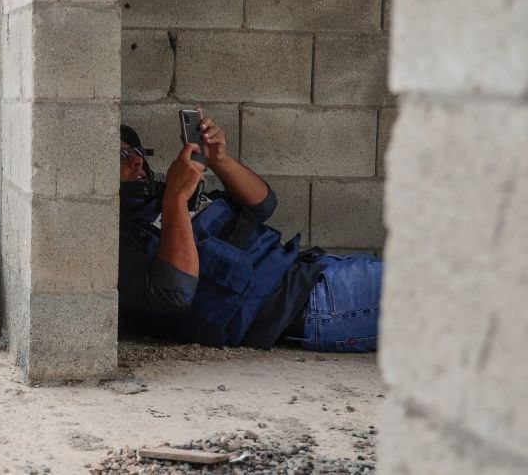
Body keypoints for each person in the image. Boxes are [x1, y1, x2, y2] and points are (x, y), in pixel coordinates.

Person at [118, 109, 382, 353]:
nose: (137, 162)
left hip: (315, 272)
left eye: (137, 152)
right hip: (308, 306)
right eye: (121, 156)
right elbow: (174, 293)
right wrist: (175, 198)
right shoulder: (122, 237)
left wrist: (218, 158)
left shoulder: (161, 200)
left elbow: (263, 204)